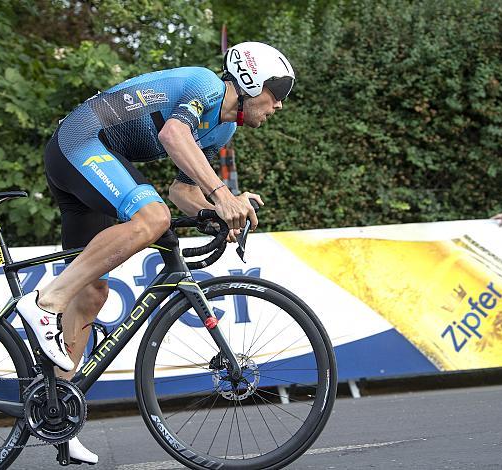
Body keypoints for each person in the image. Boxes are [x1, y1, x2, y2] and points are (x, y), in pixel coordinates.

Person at [15, 41, 295, 464]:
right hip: (80, 141)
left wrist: (217, 210)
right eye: (277, 95)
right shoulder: (205, 86)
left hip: (90, 160)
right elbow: (172, 134)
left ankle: (57, 417)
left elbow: (182, 190)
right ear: (252, 83)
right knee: (152, 218)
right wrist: (222, 193)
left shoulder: (224, 128)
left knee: (91, 296)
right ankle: (44, 301)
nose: (278, 106)